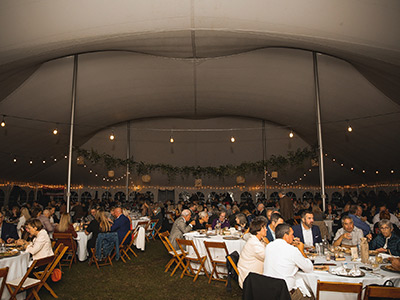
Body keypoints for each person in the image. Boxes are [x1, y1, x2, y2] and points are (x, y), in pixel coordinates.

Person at [264, 223, 314, 300]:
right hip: (286, 295)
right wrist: (301, 250)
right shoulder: (292, 250)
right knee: (312, 295)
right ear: (285, 235)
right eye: (292, 234)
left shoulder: (269, 246)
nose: (293, 237)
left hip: (269, 291)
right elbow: (309, 268)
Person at [237, 216, 268, 288]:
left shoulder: (257, 239)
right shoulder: (254, 243)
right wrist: (268, 244)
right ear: (258, 231)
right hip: (249, 276)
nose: (266, 229)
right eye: (264, 228)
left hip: (253, 271)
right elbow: (267, 257)